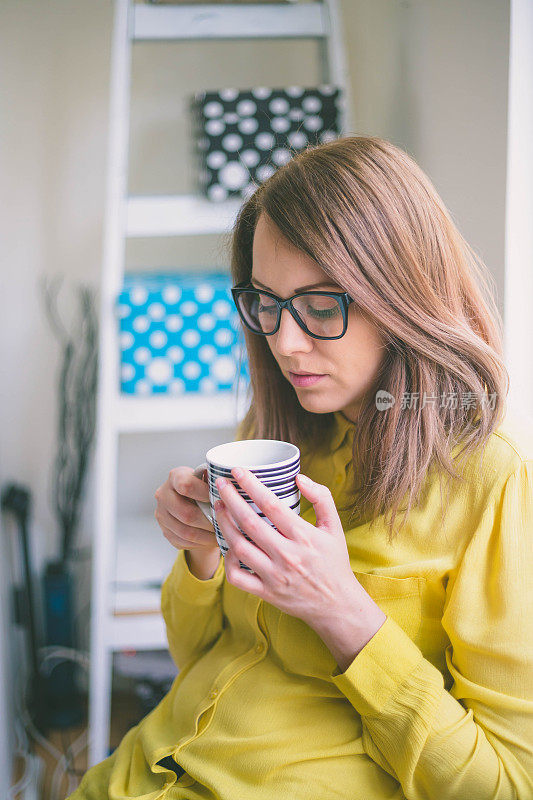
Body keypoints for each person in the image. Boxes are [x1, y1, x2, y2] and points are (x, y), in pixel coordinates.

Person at [70, 136, 533, 799]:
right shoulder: (274, 437)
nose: (284, 343)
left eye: (321, 306)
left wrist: (343, 614)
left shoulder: (494, 478)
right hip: (134, 776)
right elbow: (204, 660)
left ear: (403, 298)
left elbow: (507, 785)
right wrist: (199, 556)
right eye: (266, 302)